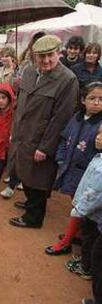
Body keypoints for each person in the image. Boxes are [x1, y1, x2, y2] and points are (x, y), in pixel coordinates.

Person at [8, 35, 79, 228]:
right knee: (26, 173)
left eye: (50, 55)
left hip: (42, 140)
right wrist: (14, 131)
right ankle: (31, 203)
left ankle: (33, 218)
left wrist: (45, 148)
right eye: (41, 56)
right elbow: (20, 105)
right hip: (24, 135)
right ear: (34, 56)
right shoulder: (30, 72)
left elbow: (61, 119)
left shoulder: (67, 79)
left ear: (59, 53)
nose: (46, 60)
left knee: (39, 178)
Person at [45, 82, 102, 256]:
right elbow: (64, 139)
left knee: (81, 207)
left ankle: (66, 242)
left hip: (90, 177)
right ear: (83, 100)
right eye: (92, 98)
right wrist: (61, 158)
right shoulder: (76, 117)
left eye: (101, 99)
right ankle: (77, 234)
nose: (97, 103)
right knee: (75, 202)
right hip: (70, 169)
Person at [71, 131, 102, 304]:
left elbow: (96, 193)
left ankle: (86, 268)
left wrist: (80, 209)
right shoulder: (99, 157)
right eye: (99, 133)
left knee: (97, 253)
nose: (98, 137)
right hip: (96, 215)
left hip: (94, 213)